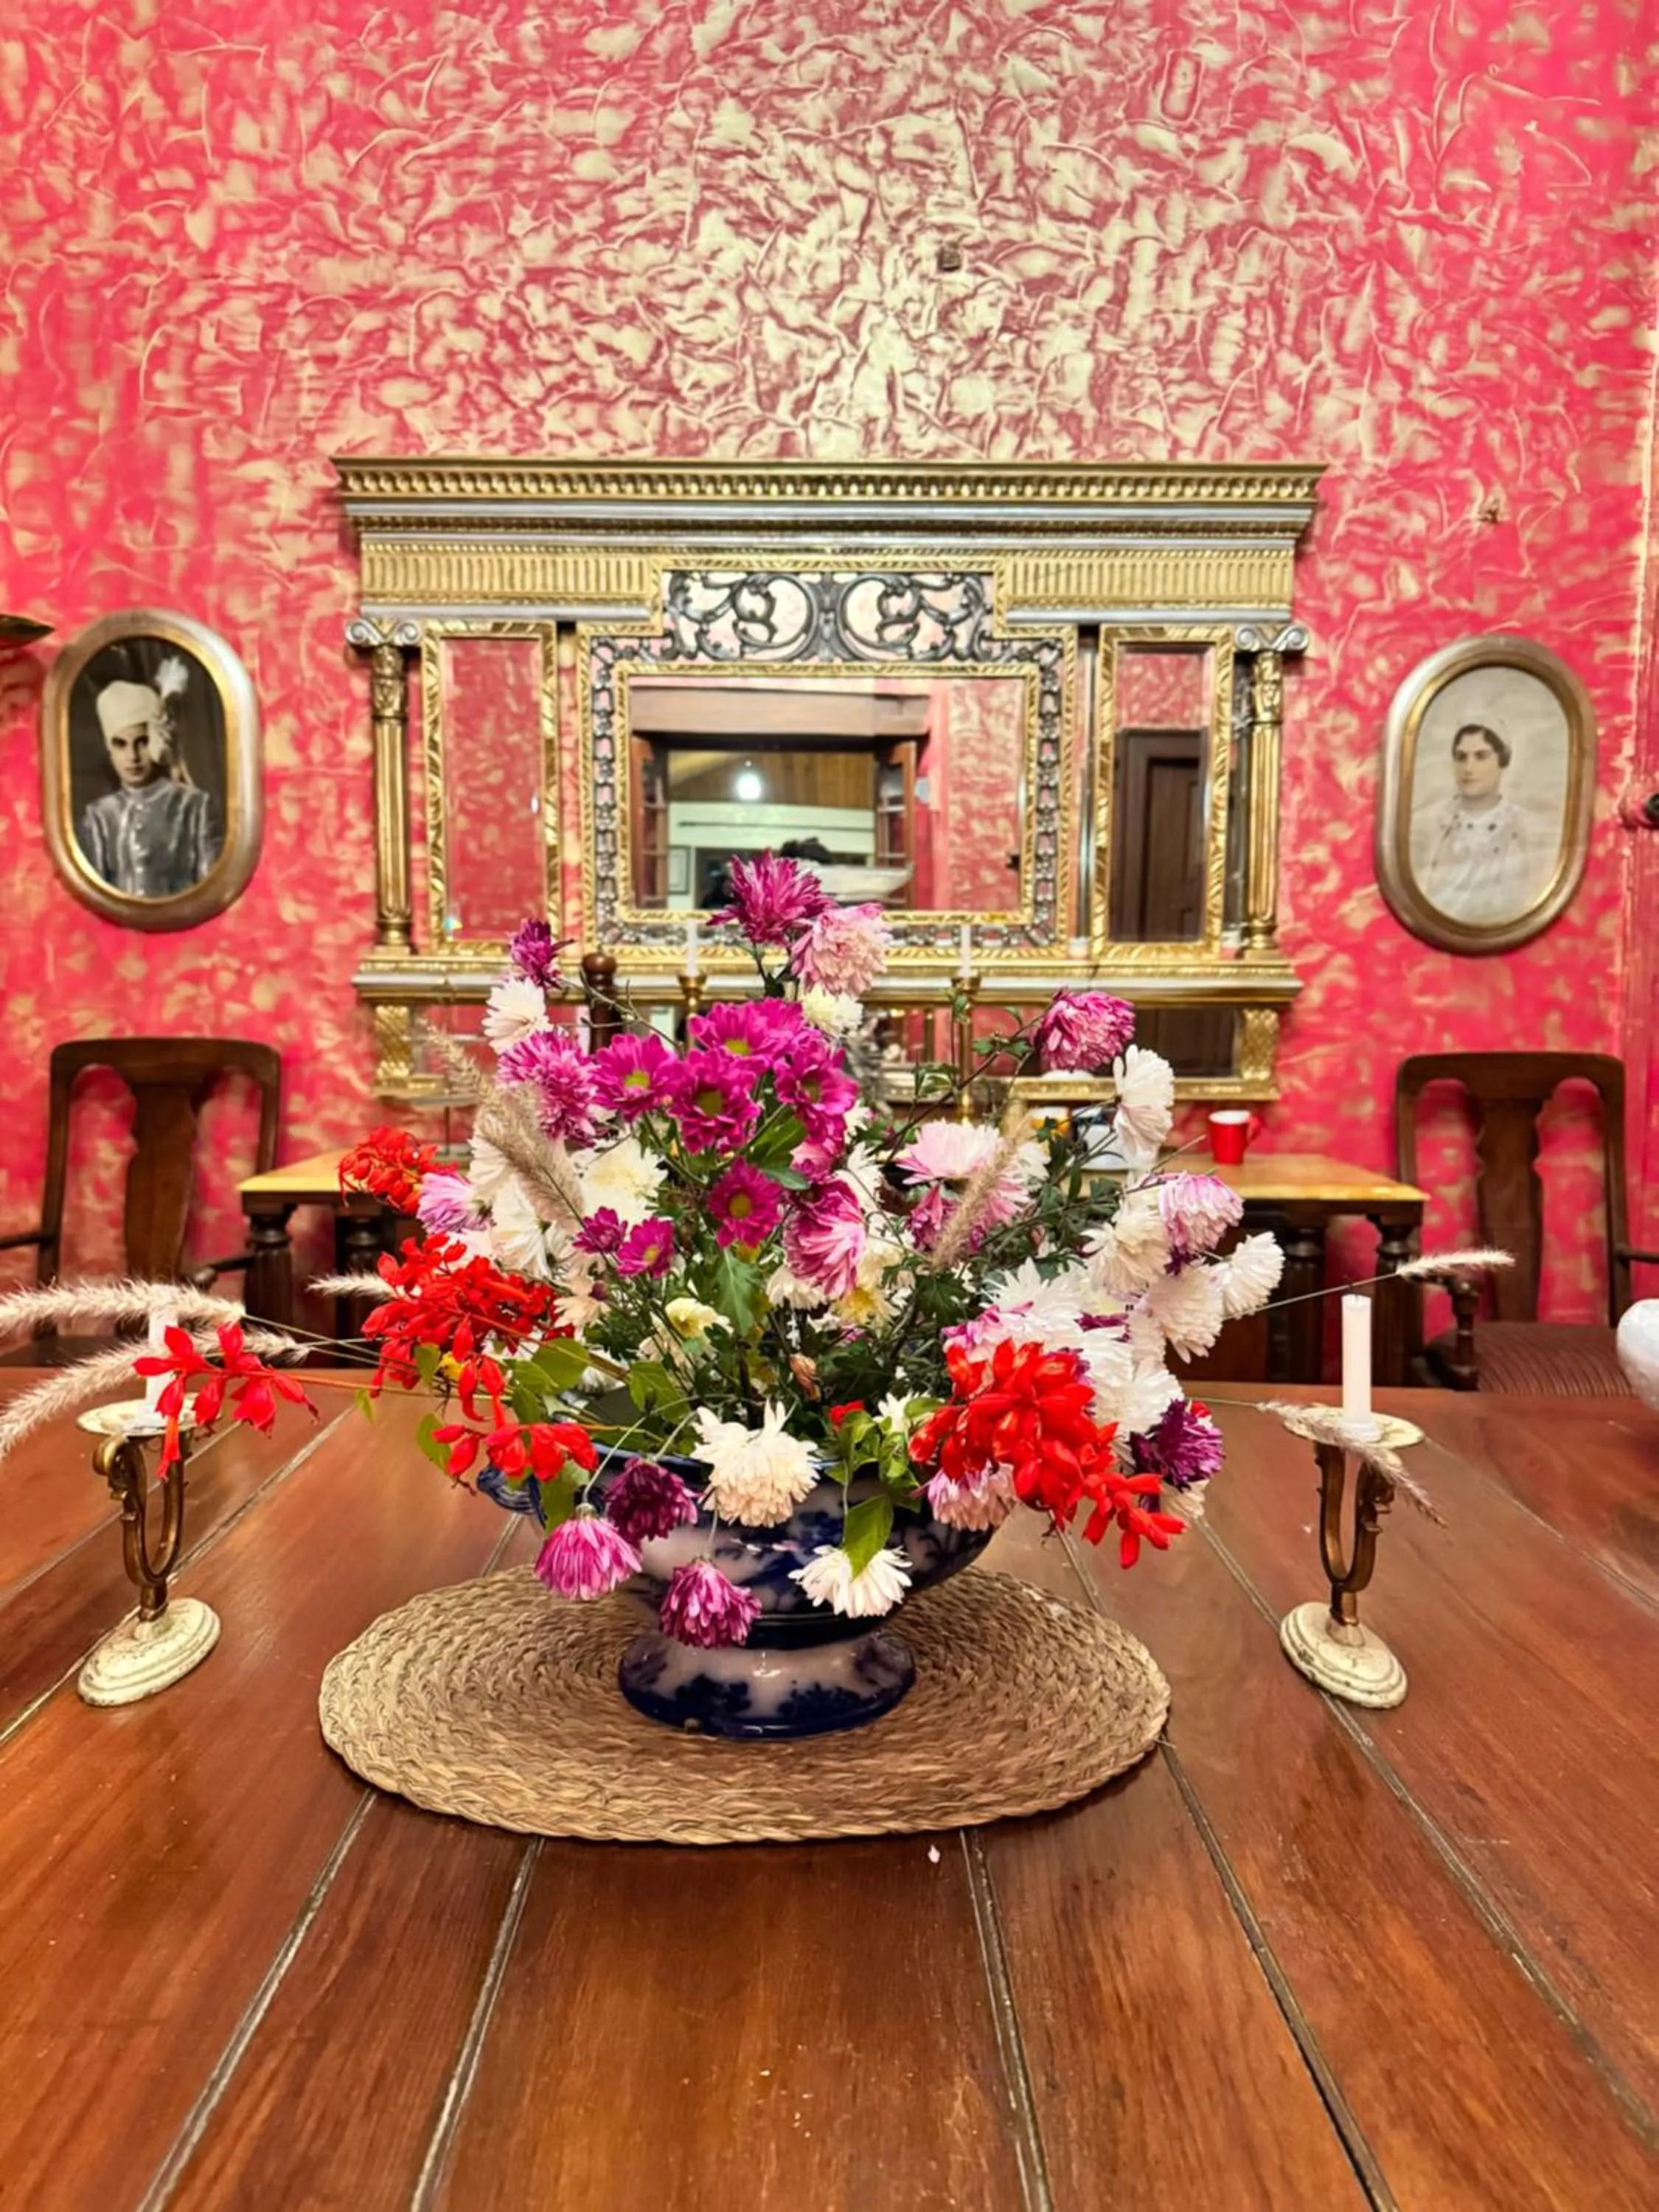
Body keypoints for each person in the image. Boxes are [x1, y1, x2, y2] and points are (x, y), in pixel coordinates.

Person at [78, 670, 221, 897]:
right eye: (120, 744)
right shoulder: (99, 815)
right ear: (109, 749)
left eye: (142, 742)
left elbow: (210, 891)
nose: (132, 756)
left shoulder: (193, 805)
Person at [1417, 721, 1534, 925]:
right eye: (1461, 757)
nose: (1468, 768)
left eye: (1481, 756)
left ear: (1503, 761)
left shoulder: (1524, 827)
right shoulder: (1432, 821)